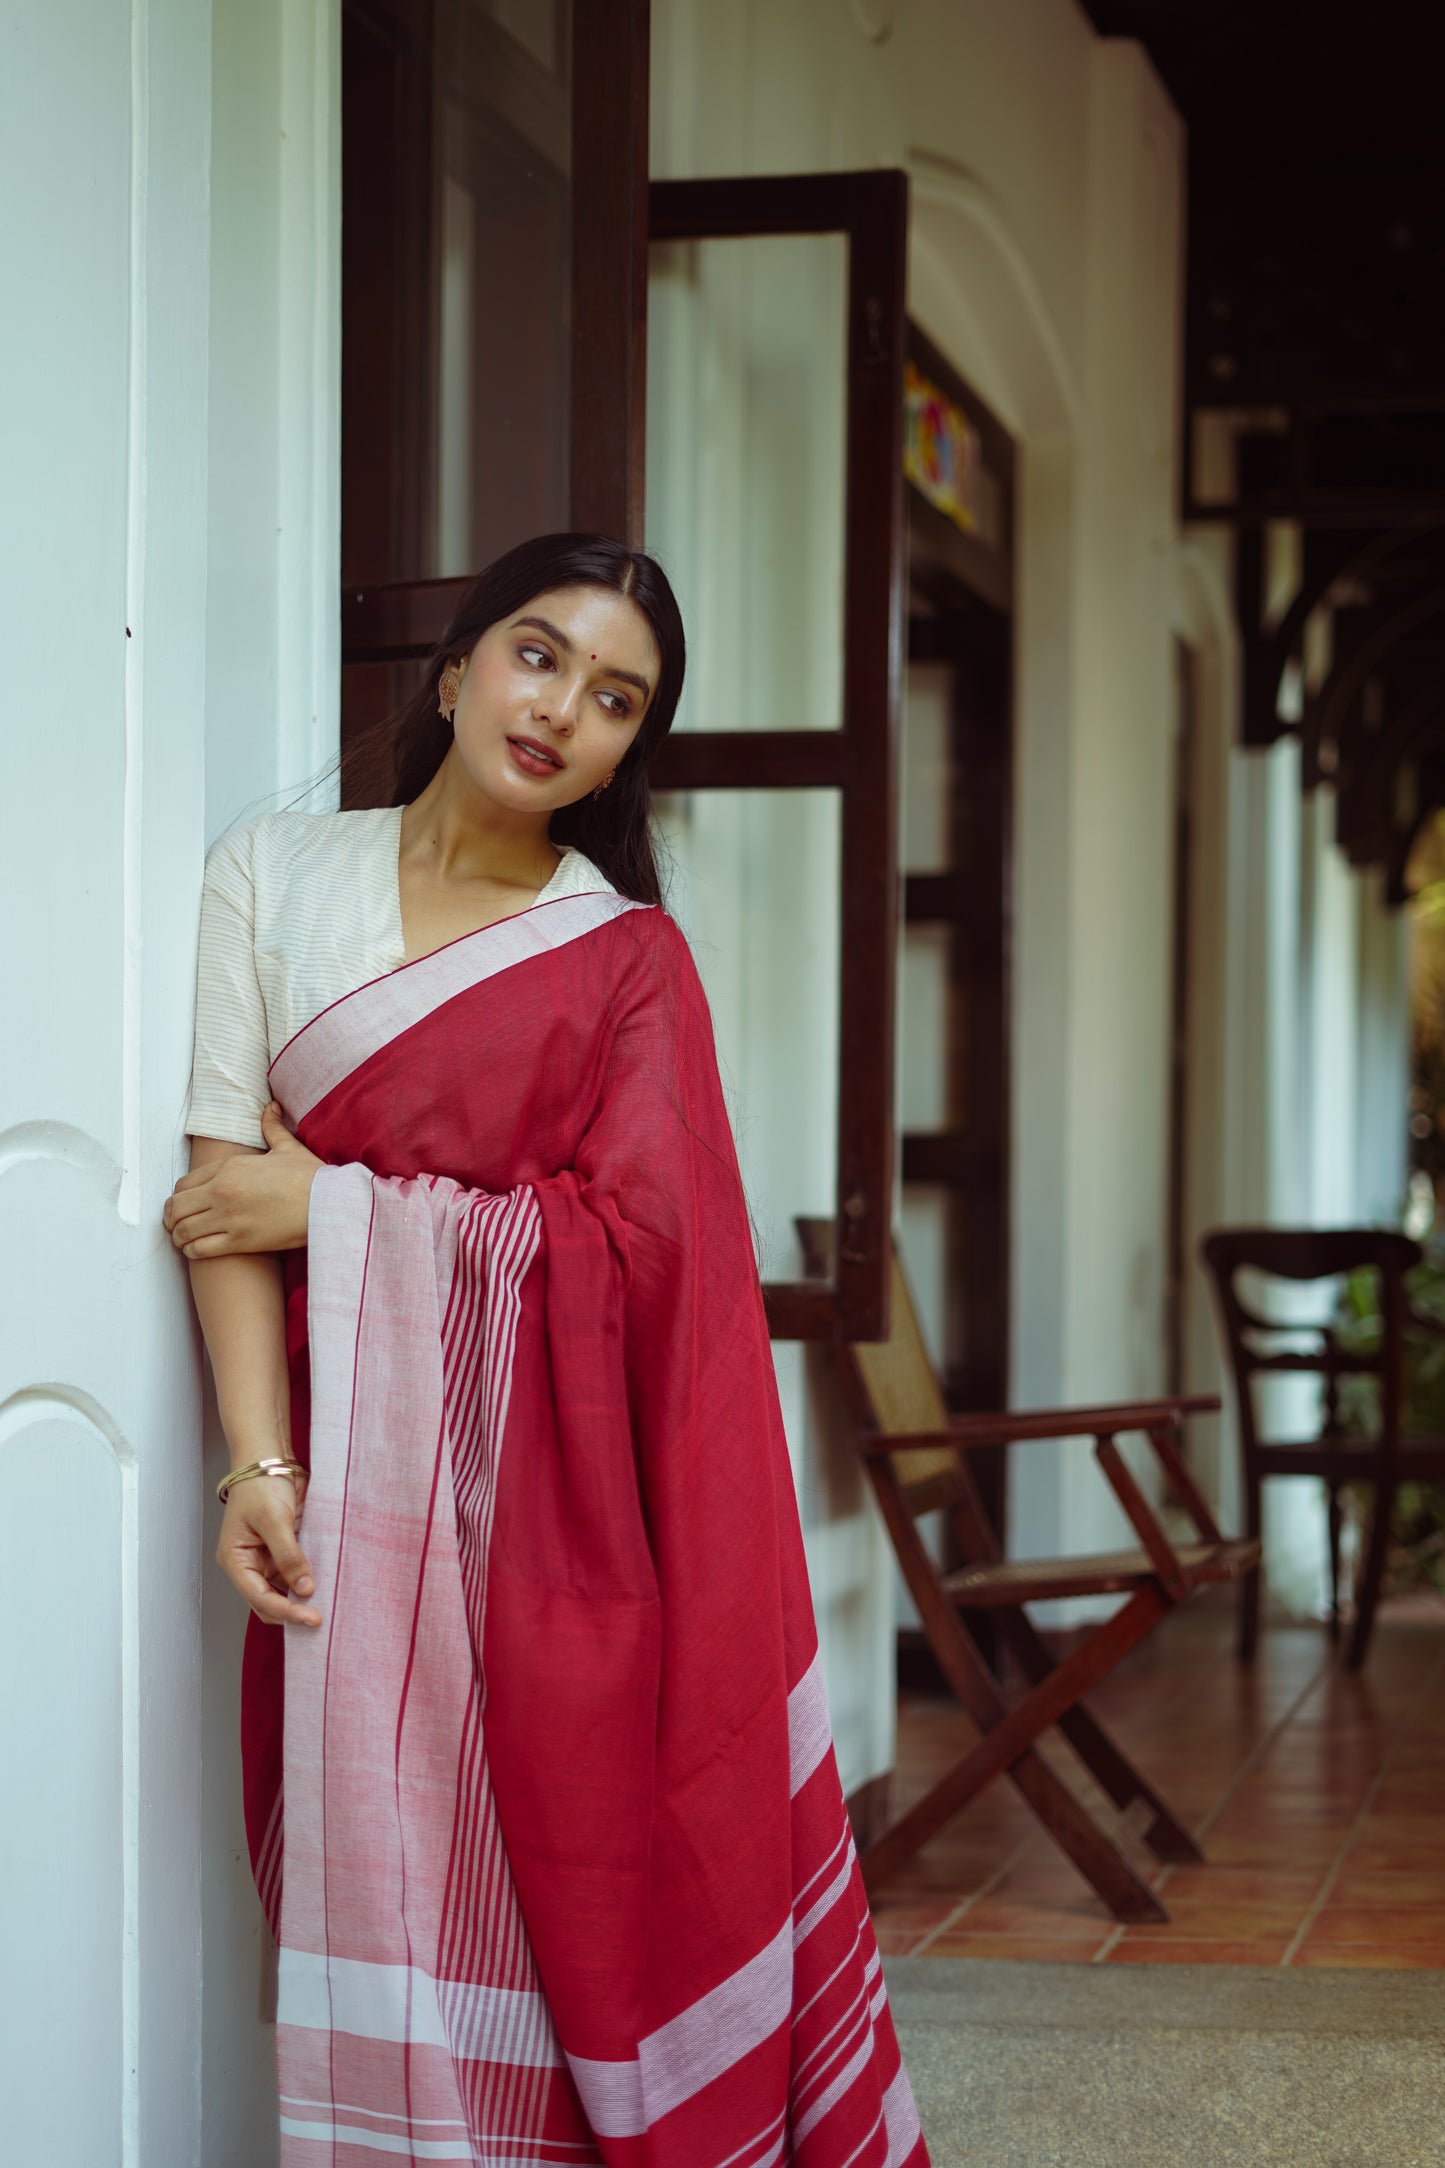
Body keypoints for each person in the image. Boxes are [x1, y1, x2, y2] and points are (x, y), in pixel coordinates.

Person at [166, 531, 928, 2167]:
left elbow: (650, 1257)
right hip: (342, 1480)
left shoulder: (623, 956)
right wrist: (255, 1460)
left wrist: (350, 1210)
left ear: (625, 749)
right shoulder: (272, 868)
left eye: (614, 697)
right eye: (536, 654)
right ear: (452, 667)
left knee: (539, 1902)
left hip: (539, 1529)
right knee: (367, 1884)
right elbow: (223, 1196)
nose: (560, 707)